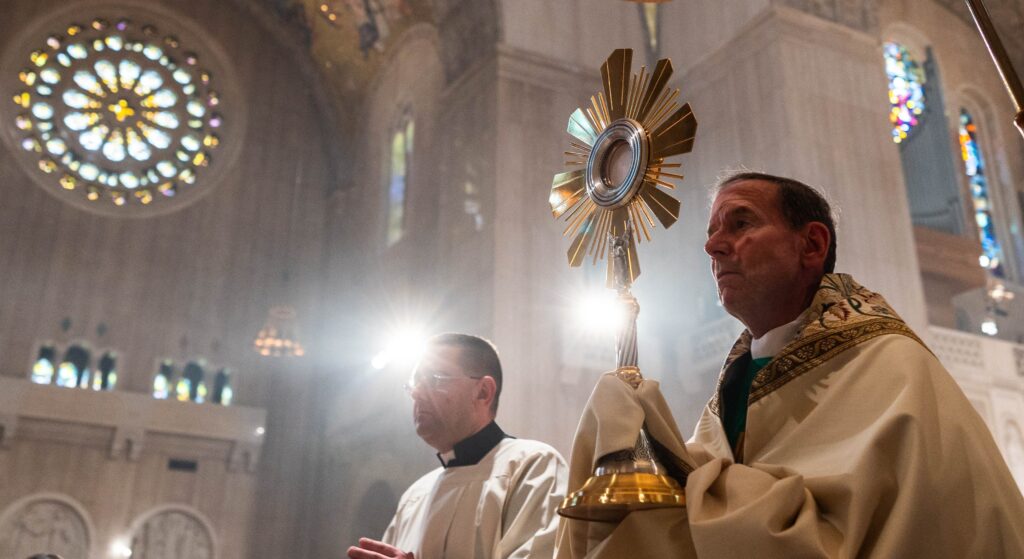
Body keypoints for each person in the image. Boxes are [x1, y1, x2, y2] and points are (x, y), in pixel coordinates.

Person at [556, 172, 1024, 558]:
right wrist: (635, 452)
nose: (713, 247)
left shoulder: (890, 368)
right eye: (712, 231)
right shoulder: (737, 381)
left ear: (812, 245)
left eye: (740, 224)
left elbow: (834, 541)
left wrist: (675, 467)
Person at [349, 333, 568, 559]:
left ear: (483, 392)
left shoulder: (533, 467)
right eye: (415, 383)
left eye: (435, 379)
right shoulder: (415, 495)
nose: (416, 392)